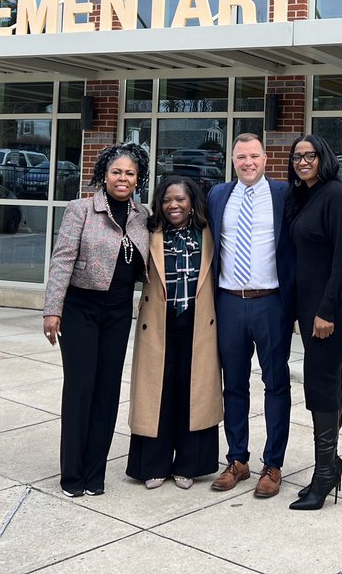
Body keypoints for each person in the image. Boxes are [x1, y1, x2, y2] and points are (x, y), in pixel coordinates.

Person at [43, 142, 150, 497]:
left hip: (119, 313)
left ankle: (95, 473)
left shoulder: (142, 215)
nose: (123, 178)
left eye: (130, 173)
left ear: (138, 179)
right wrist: (52, 309)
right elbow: (61, 259)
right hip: (81, 310)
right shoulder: (81, 209)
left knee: (107, 391)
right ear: (104, 175)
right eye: (116, 171)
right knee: (80, 390)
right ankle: (72, 474)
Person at [206, 133, 295, 499]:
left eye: (254, 156)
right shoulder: (218, 195)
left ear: (265, 159)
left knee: (275, 383)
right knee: (233, 384)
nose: (247, 162)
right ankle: (238, 460)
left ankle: (273, 464)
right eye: (241, 156)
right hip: (228, 302)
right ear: (232, 160)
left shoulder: (284, 194)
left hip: (271, 302)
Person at [126, 175, 221, 490]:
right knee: (158, 393)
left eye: (180, 199)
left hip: (198, 322)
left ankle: (189, 466)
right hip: (158, 322)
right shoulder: (149, 231)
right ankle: (153, 464)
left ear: (192, 201)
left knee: (192, 392)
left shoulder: (208, 233)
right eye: (167, 200)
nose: (173, 205)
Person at [284, 133, 342, 511]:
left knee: (320, 380)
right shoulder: (303, 196)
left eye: (309, 155)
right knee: (324, 377)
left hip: (335, 304)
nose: (302, 162)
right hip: (312, 304)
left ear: (323, 158)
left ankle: (326, 471)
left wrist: (326, 311)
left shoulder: (335, 195)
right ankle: (329, 465)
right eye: (297, 156)